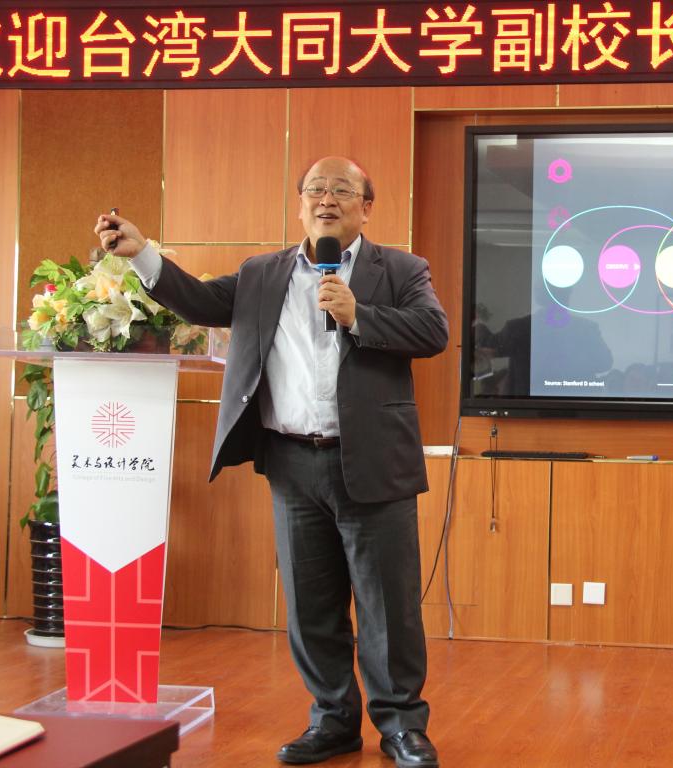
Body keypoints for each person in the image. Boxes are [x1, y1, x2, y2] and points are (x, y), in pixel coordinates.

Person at [94, 156, 448, 768]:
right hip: (292, 461)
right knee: (310, 607)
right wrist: (142, 253)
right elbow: (200, 302)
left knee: (387, 607)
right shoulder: (263, 273)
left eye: (342, 190)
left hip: (373, 462)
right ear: (300, 204)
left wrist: (358, 315)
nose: (327, 199)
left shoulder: (401, 269)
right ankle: (333, 720)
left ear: (367, 207)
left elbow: (432, 331)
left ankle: (400, 726)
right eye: (316, 189)